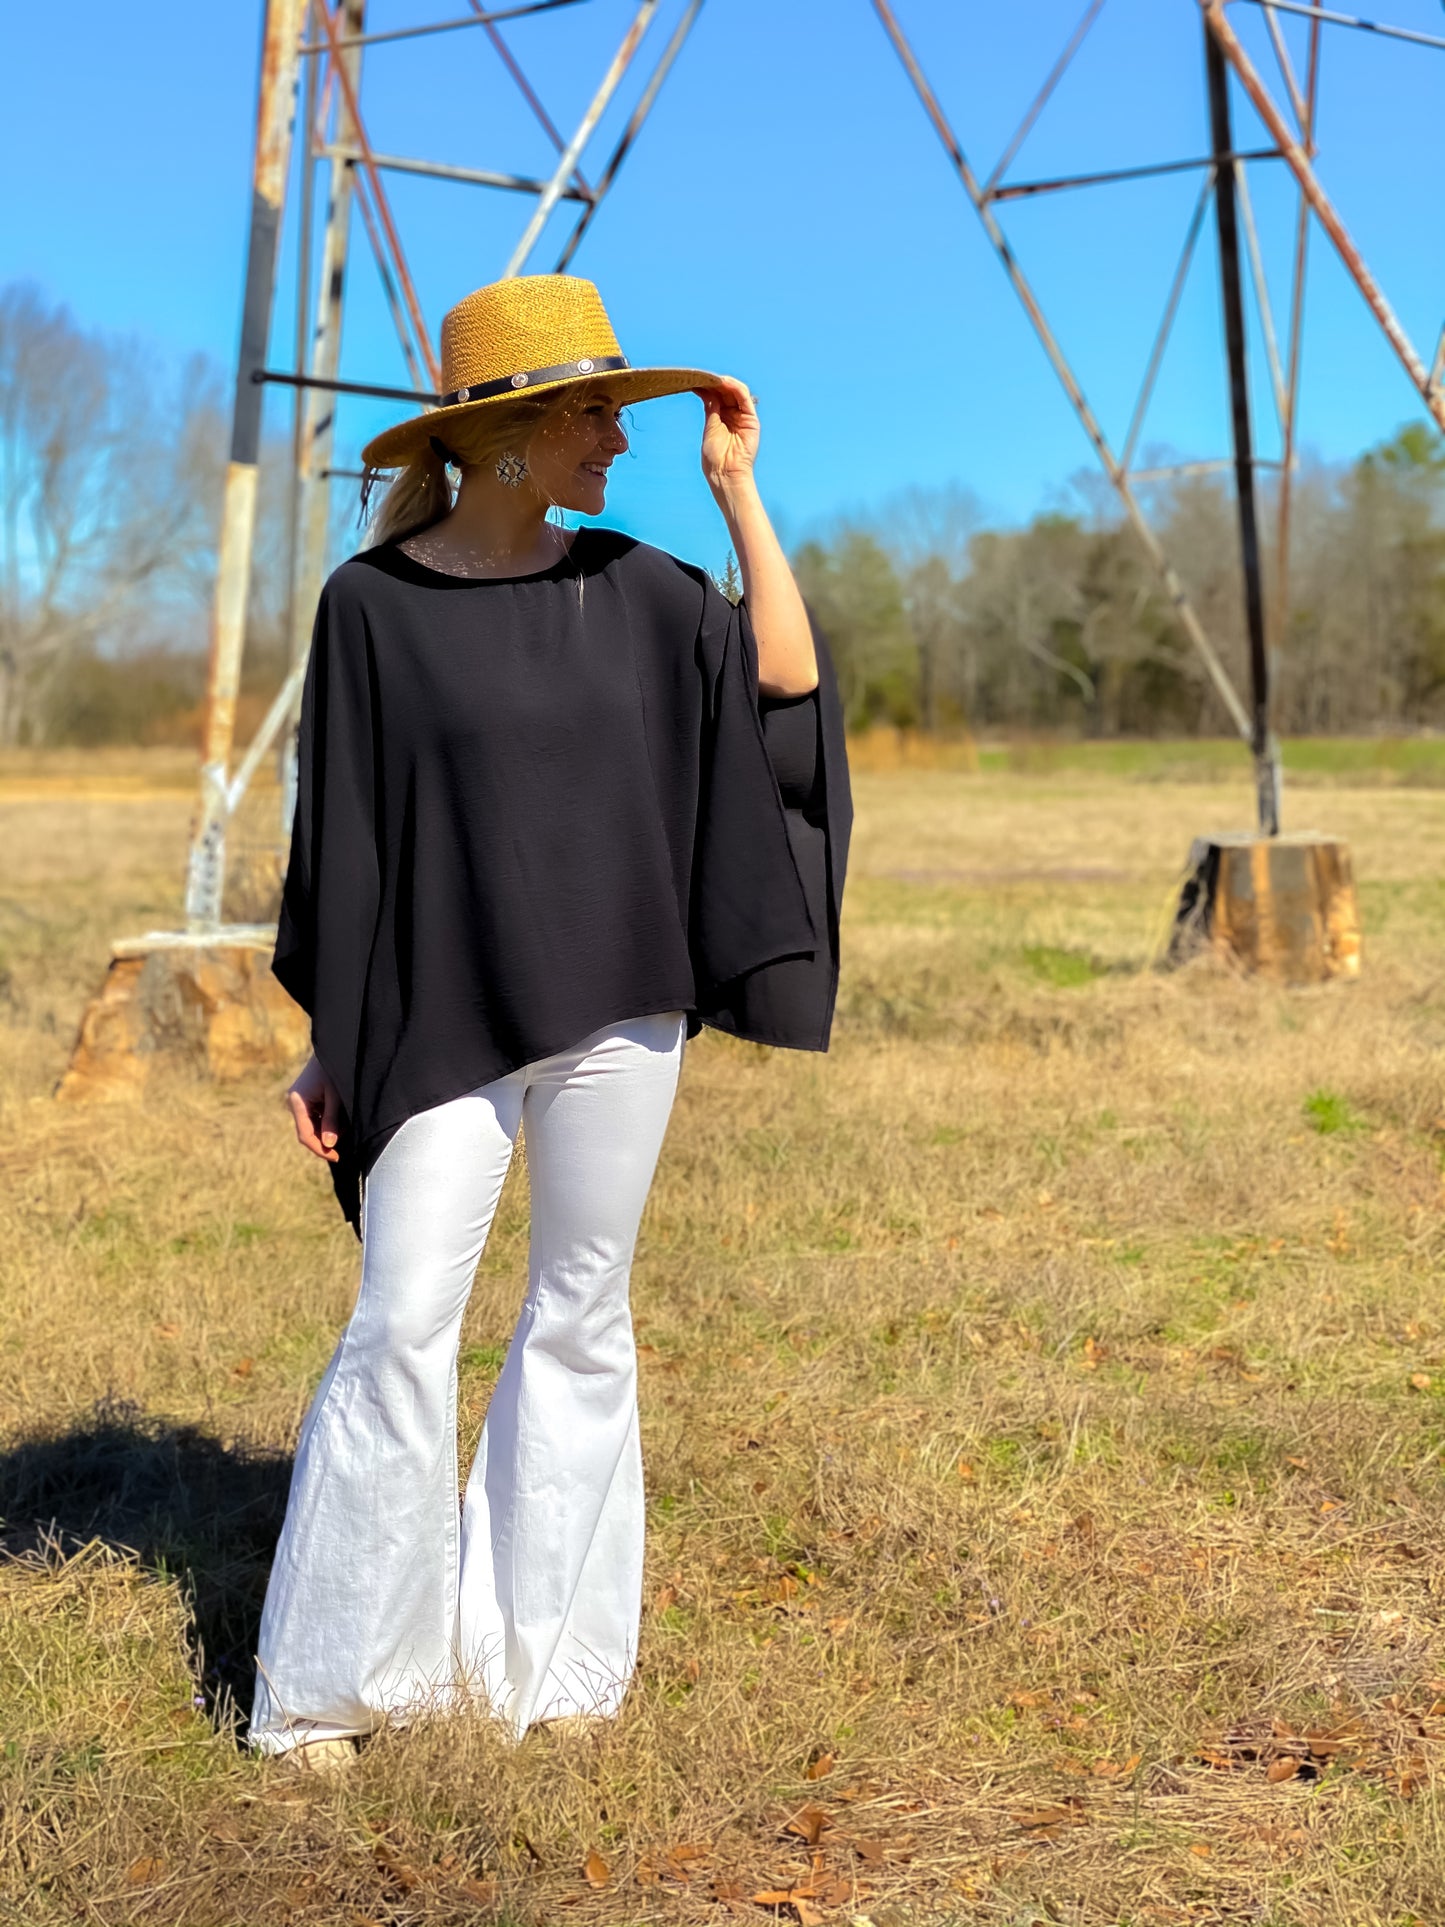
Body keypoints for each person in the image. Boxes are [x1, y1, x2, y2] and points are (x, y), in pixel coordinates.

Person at [247, 273, 850, 1768]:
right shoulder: (368, 609)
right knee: (399, 1325)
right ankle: (335, 1687)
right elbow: (349, 837)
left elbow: (782, 682)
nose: (618, 443)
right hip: (442, 1008)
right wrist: (336, 1034)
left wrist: (740, 496)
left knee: (579, 1321)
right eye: (596, 415)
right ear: (508, 434)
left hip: (615, 1012)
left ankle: (544, 1678)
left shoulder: (640, 589)